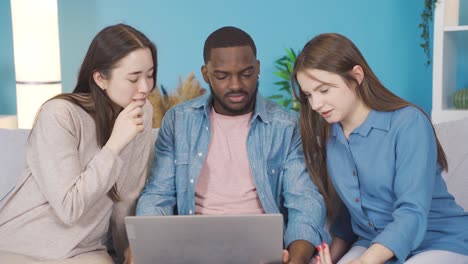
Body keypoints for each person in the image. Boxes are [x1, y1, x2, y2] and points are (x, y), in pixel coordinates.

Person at [136, 26, 328, 264]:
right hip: (194, 250)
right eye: (222, 76)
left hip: (262, 254)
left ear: (257, 69)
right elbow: (157, 195)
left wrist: (297, 259)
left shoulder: (286, 126)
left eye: (246, 74)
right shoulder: (178, 121)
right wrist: (146, 247)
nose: (236, 85)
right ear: (206, 74)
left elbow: (305, 202)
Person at [292, 33, 468, 264]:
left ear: (356, 76)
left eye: (324, 90)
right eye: (308, 95)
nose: (315, 104)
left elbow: (412, 212)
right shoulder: (331, 137)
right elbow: (347, 219)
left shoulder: (408, 123)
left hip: (437, 241)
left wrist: (365, 262)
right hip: (372, 242)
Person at [0, 23, 157, 264]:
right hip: (22, 245)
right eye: (134, 78)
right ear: (100, 78)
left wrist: (130, 249)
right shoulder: (60, 114)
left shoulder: (142, 113)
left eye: (150, 74)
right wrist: (115, 144)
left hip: (84, 251)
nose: (145, 88)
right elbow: (69, 208)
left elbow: (126, 197)